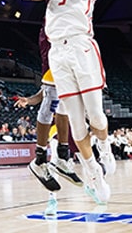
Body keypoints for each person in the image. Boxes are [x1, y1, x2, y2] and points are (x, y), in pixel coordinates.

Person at [0, 0, 118, 205]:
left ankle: (104, 148)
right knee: (76, 123)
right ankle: (92, 171)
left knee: (95, 115)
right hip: (58, 52)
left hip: (82, 47)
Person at [22, 0, 82, 208]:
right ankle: (40, 156)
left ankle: (60, 152)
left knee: (65, 97)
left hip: (71, 37)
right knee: (52, 96)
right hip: (53, 34)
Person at [14, 88, 83, 216]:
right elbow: (40, 95)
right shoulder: (53, 78)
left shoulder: (74, 79)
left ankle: (94, 183)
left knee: (81, 156)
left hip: (72, 125)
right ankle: (52, 199)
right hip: (55, 127)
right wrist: (28, 100)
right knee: (55, 159)